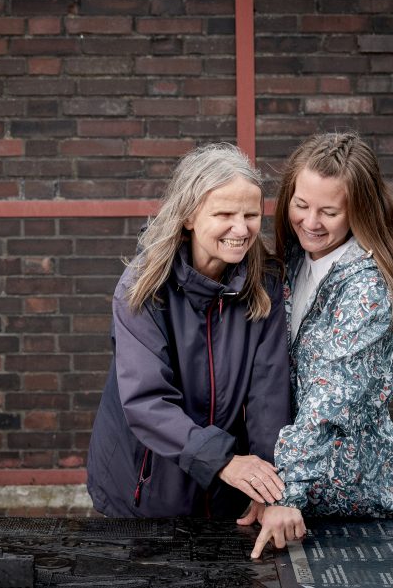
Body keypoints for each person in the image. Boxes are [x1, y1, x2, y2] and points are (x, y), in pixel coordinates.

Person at [239, 131, 393, 558]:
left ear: (359, 210)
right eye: (301, 206)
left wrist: (285, 494)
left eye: (329, 212)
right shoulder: (295, 263)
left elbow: (328, 400)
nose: (311, 222)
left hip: (355, 503)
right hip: (301, 495)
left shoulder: (367, 287)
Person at [86, 143, 292, 519]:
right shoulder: (143, 286)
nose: (241, 229)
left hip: (226, 491)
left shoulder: (265, 284)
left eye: (251, 214)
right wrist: (225, 461)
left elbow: (269, 396)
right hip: (142, 490)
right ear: (189, 216)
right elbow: (147, 401)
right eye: (225, 213)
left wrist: (267, 490)